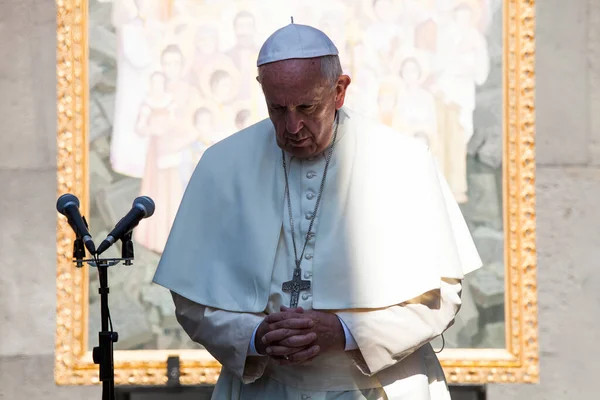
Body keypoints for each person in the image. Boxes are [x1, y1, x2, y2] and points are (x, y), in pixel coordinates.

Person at [154, 22, 482, 399]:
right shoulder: (222, 164)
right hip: (265, 387)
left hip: (380, 386)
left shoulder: (403, 160)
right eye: (278, 109)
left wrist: (345, 332)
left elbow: (441, 298)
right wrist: (254, 336)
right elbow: (193, 300)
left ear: (339, 90)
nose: (292, 126)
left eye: (307, 107)